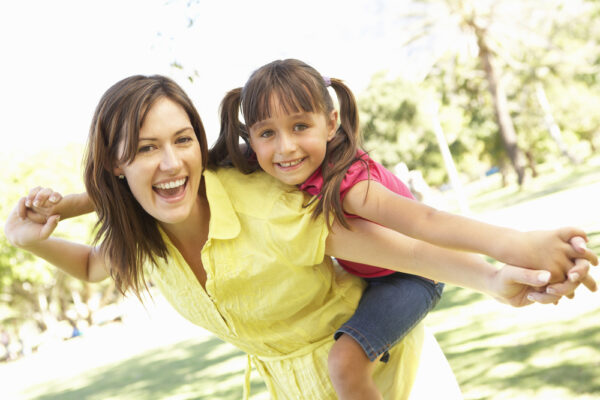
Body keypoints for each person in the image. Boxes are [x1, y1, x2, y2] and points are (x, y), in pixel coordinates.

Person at [5, 74, 595, 400]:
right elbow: (89, 266)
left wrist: (499, 273)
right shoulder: (144, 241)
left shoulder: (273, 207)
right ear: (114, 163)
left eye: (182, 140)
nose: (170, 162)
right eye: (144, 148)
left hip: (388, 377)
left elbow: (404, 246)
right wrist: (29, 238)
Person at [213, 58, 599, 399]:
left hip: (410, 278)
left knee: (345, 364)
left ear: (331, 124)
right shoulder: (269, 169)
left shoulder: (353, 185)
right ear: (251, 138)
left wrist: (516, 244)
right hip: (370, 276)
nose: (285, 147)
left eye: (300, 126)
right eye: (267, 133)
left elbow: (425, 221)